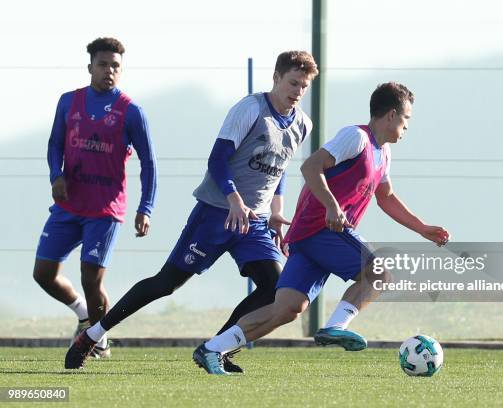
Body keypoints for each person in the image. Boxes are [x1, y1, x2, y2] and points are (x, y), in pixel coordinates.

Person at [65, 51, 319, 371]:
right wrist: (234, 200)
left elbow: (279, 168)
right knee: (165, 284)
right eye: (293, 83)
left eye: (304, 86)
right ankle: (92, 334)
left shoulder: (302, 124)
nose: (297, 91)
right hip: (216, 213)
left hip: (252, 222)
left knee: (275, 289)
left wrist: (276, 212)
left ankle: (216, 350)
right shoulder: (249, 109)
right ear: (276, 78)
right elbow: (216, 161)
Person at [194, 82, 450, 375]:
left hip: (310, 236)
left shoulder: (384, 154)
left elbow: (386, 197)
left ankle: (213, 348)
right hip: (321, 229)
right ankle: (336, 326)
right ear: (391, 115)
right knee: (379, 273)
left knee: (286, 309)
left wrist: (422, 228)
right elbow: (310, 167)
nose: (407, 128)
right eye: (406, 120)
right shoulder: (355, 137)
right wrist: (331, 205)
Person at [33, 37, 157, 358]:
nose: (109, 71)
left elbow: (150, 163)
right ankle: (83, 314)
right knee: (43, 273)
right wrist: (55, 176)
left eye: (115, 66)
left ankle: (98, 341)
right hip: (69, 204)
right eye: (103, 64)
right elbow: (53, 145)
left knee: (91, 277)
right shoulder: (68, 102)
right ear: (90, 67)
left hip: (105, 209)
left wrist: (146, 207)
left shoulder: (131, 112)